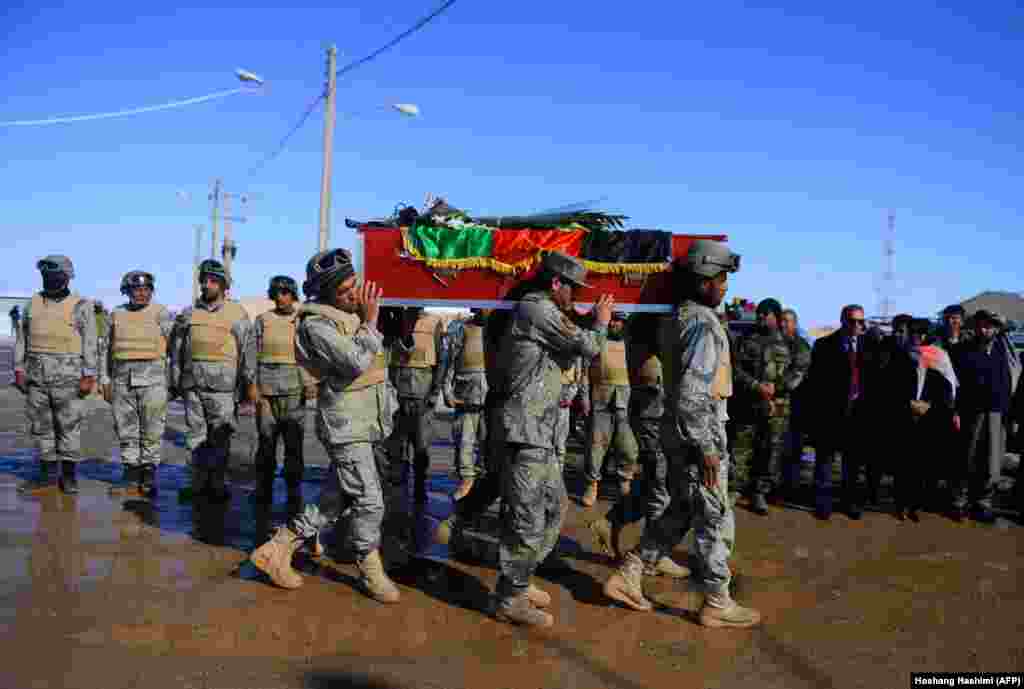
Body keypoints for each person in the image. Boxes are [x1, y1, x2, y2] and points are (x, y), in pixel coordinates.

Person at [604, 239, 760, 628]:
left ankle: (630, 573)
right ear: (704, 281)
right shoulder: (703, 325)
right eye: (722, 278)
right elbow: (693, 394)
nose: (725, 286)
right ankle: (717, 601)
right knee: (713, 516)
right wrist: (707, 447)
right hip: (697, 435)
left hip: (677, 431)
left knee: (684, 509)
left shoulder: (677, 318)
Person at [250, 248, 401, 603]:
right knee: (369, 501)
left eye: (355, 284)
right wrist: (371, 321)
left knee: (334, 500)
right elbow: (354, 362)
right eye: (345, 290)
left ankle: (277, 549)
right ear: (325, 292)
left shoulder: (351, 315)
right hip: (346, 427)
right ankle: (369, 567)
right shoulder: (315, 324)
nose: (354, 293)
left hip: (366, 423)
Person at [491, 251, 612, 628]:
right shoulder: (536, 309)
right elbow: (590, 348)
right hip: (525, 430)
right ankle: (509, 597)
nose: (577, 295)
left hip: (540, 430)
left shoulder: (549, 312)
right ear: (556, 283)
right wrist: (600, 323)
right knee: (526, 517)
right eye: (573, 288)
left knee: (554, 507)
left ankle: (519, 578)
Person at [588, 312, 689, 578]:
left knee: (651, 485)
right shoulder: (648, 321)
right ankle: (653, 555)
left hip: (655, 412)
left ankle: (611, 523)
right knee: (660, 485)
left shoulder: (650, 320)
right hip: (650, 414)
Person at [169, 259, 255, 502]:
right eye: (204, 280)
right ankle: (197, 484)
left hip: (224, 390)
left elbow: (248, 351)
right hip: (193, 386)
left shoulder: (237, 314)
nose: (206, 285)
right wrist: (175, 379)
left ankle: (217, 485)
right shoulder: (188, 314)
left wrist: (249, 385)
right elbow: (176, 349)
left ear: (223, 285)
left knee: (220, 438)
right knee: (195, 437)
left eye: (212, 281)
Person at [13, 255, 98, 494]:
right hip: (37, 379)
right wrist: (18, 368)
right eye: (46, 275)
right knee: (42, 428)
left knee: (68, 428)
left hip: (70, 381)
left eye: (55, 275)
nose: (49, 279)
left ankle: (69, 476)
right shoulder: (33, 303)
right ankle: (48, 475)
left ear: (66, 277)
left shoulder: (82, 305)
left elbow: (90, 342)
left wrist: (89, 375)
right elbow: (23, 339)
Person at [806, 304, 886, 520]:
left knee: (853, 462)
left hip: (859, 413)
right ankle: (823, 503)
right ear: (843, 321)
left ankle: (850, 502)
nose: (857, 325)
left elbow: (876, 380)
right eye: (853, 321)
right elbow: (815, 381)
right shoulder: (824, 345)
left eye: (861, 321)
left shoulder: (871, 346)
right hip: (831, 412)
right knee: (825, 460)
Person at [101, 271, 173, 497]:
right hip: (122, 380)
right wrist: (105, 379)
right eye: (137, 289)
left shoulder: (160, 313)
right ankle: (131, 474)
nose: (142, 294)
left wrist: (175, 378)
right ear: (127, 291)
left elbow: (176, 346)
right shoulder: (117, 314)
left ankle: (149, 475)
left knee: (152, 429)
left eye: (146, 289)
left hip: (153, 380)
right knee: (126, 429)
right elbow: (105, 349)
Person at [251, 276, 312, 505]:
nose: (281, 297)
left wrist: (311, 383)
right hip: (266, 392)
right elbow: (253, 355)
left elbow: (310, 355)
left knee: (294, 446)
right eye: (277, 293)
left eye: (286, 292)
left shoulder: (303, 320)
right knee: (266, 444)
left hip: (295, 392)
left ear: (293, 295)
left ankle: (294, 492)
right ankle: (263, 488)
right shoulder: (262, 320)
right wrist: (252, 385)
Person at [888, 318, 957, 521]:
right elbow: (890, 384)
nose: (918, 338)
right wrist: (907, 403)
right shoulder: (901, 355)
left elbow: (948, 386)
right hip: (904, 414)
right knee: (903, 463)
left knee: (923, 464)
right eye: (915, 333)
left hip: (929, 416)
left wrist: (929, 405)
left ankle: (915, 506)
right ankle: (900, 504)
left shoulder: (939, 356)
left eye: (922, 334)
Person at [950, 310, 1015, 523]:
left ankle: (983, 502)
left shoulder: (1005, 349)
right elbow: (954, 385)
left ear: (996, 328)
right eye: (981, 325)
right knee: (967, 457)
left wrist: (1009, 413)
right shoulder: (962, 350)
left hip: (998, 412)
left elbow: (1010, 381)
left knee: (992, 460)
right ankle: (960, 501)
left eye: (989, 326)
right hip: (972, 411)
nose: (984, 329)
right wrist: (955, 411)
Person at [732, 298, 795, 514]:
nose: (759, 317)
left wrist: (775, 388)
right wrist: (755, 386)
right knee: (741, 447)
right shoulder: (745, 339)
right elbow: (734, 368)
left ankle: (759, 493)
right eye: (758, 313)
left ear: (776, 317)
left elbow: (799, 371)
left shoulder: (790, 342)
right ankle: (734, 489)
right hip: (748, 403)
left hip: (776, 409)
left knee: (770, 451)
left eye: (765, 314)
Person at [581, 311, 639, 508]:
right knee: (596, 447)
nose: (614, 324)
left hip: (625, 400)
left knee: (628, 447)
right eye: (612, 319)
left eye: (619, 321)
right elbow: (584, 372)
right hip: (600, 399)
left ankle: (625, 482)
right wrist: (584, 398)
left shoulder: (631, 344)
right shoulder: (597, 341)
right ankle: (592, 485)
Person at [386, 306, 444, 503]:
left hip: (422, 396)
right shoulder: (393, 320)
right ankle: (397, 492)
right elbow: (388, 358)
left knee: (421, 447)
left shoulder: (433, 323)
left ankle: (420, 488)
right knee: (396, 447)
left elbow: (441, 362)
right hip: (398, 396)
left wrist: (434, 393)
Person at [439, 309, 490, 500]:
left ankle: (483, 480)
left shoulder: (498, 330)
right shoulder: (464, 330)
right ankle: (467, 478)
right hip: (465, 395)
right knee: (464, 440)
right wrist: (446, 389)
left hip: (491, 395)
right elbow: (450, 360)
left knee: (488, 441)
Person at [778, 308, 812, 499]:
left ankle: (791, 488)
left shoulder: (800, 346)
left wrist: (775, 387)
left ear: (794, 324)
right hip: (775, 405)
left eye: (788, 321)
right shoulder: (772, 343)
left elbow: (796, 377)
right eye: (782, 320)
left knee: (792, 448)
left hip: (796, 406)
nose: (784, 324)